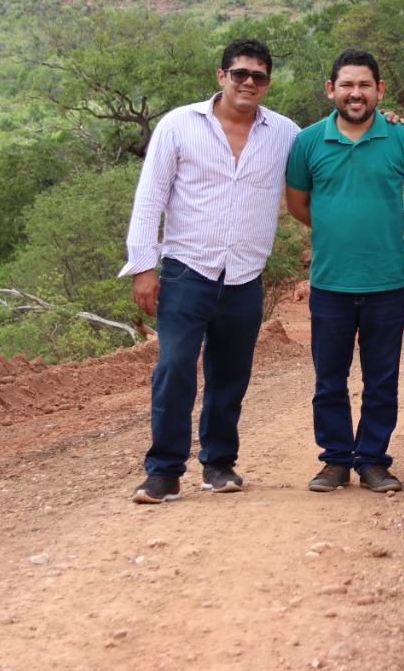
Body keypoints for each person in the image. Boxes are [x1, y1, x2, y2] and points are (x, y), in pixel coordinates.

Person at [121, 38, 300, 504]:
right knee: (175, 367)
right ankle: (163, 471)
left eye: (258, 76)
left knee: (231, 374)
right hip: (186, 270)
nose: (248, 83)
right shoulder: (180, 125)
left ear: (267, 83)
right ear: (221, 77)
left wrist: (387, 123)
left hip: (245, 275)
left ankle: (219, 464)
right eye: (239, 73)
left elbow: (331, 152)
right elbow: (150, 197)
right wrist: (143, 266)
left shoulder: (285, 133)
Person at [285, 49, 404, 494]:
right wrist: (335, 229)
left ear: (379, 90)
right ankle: (335, 461)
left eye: (365, 85)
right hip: (330, 283)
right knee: (328, 379)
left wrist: (393, 229)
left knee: (381, 380)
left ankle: (372, 461)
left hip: (386, 283)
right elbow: (298, 205)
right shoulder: (308, 142)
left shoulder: (403, 140)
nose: (356, 93)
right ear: (331, 89)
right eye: (347, 84)